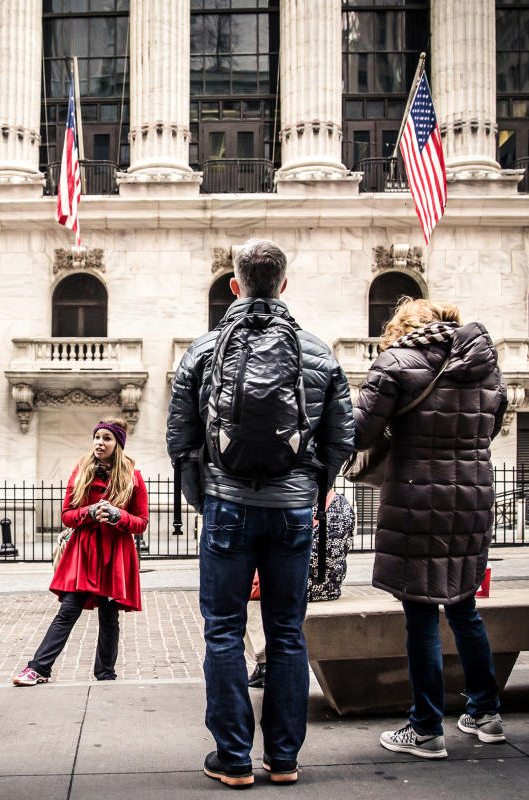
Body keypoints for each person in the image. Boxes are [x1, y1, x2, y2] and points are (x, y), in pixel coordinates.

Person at [167, 238, 354, 787]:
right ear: (284, 285)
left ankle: (231, 758)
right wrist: (318, 488)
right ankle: (285, 757)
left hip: (227, 505)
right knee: (288, 630)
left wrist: (202, 496)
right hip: (294, 509)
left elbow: (181, 436)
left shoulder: (203, 350)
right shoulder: (318, 351)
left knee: (223, 630)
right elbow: (342, 436)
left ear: (235, 285)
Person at [352, 297, 508, 759]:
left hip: (419, 495)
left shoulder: (396, 362)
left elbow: (359, 432)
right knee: (462, 605)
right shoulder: (485, 364)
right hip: (473, 496)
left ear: (404, 327)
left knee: (420, 613)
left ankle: (425, 728)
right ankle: (487, 711)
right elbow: (491, 426)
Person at [12, 417, 147, 686]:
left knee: (109, 617)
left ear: (117, 444)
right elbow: (67, 515)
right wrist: (90, 512)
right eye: (97, 437)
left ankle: (106, 674)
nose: (99, 442)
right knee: (68, 610)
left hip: (115, 554)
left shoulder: (133, 478)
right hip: (84, 555)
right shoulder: (82, 471)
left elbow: (141, 522)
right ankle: (38, 668)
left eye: (107, 438)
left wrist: (119, 515)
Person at [246, 488, 356, 689]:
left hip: (294, 584)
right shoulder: (344, 504)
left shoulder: (292, 502)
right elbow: (347, 544)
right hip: (329, 586)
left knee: (247, 599)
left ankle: (264, 662)